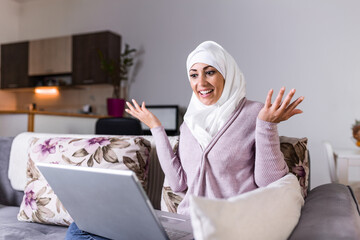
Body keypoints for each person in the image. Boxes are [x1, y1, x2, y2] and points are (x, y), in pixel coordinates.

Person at [65, 41, 303, 238]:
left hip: (225, 228)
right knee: (81, 225)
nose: (201, 83)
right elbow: (178, 184)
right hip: (185, 225)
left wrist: (267, 125)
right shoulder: (190, 123)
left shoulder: (254, 113)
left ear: (227, 74)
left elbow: (269, 181)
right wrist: (156, 127)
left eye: (210, 72)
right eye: (193, 74)